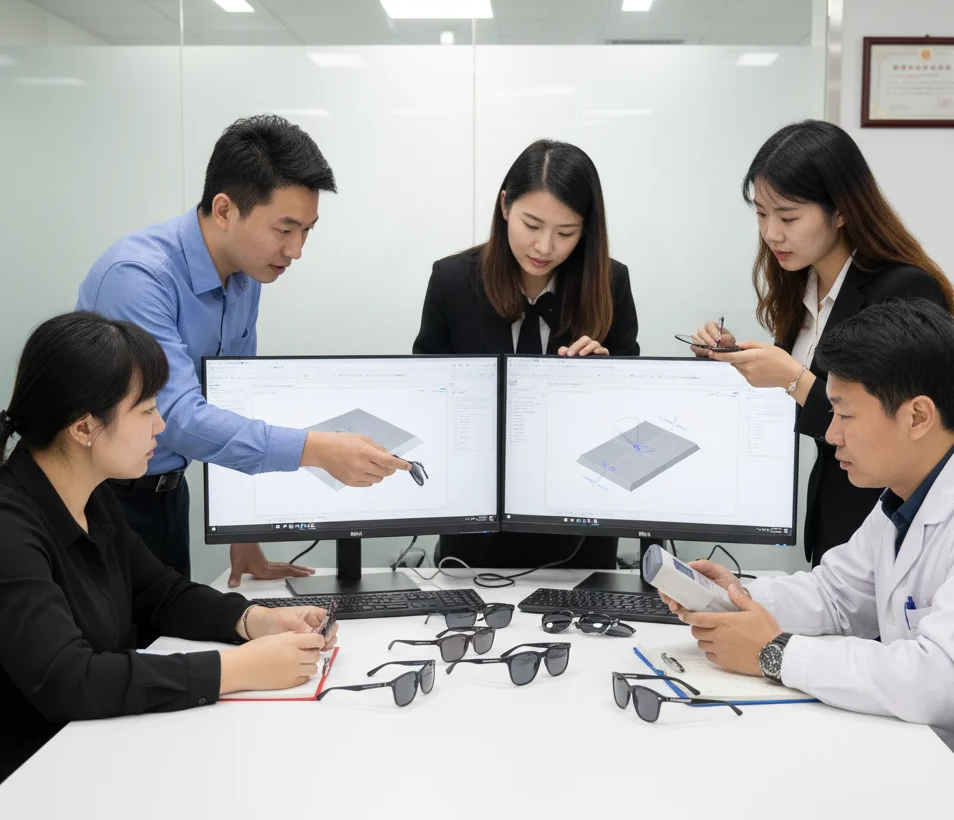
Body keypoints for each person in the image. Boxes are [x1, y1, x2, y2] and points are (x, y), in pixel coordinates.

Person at [0, 312, 338, 783]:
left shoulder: (92, 496)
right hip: (34, 779)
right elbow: (68, 679)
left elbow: (161, 593)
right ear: (83, 428)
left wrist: (254, 620)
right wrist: (236, 669)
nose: (161, 426)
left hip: (95, 750)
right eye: (146, 411)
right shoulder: (10, 527)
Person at [77, 115, 408, 586]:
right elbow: (178, 416)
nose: (296, 250)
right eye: (285, 229)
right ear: (224, 209)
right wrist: (315, 449)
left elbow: (230, 403)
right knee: (114, 634)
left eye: (307, 230)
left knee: (168, 624)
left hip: (167, 493)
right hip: (99, 499)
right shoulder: (138, 278)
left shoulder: (245, 275)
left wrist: (243, 532)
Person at [664, 300, 954, 727]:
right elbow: (836, 596)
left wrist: (776, 653)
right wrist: (735, 596)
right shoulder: (902, 499)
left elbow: (938, 680)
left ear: (918, 416)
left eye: (846, 414)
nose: (832, 434)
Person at [690, 120, 954, 565]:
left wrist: (791, 378)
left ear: (841, 210)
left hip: (889, 520)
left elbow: (897, 424)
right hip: (832, 517)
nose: (771, 233)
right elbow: (810, 412)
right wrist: (738, 359)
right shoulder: (801, 286)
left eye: (788, 217)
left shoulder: (904, 289)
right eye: (761, 214)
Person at [414, 139, 639, 570]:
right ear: (505, 206)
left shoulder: (610, 282)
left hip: (580, 527)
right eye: (531, 225)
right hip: (477, 528)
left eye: (566, 233)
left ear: (587, 229)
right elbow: (426, 404)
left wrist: (603, 380)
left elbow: (630, 426)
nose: (544, 247)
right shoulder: (452, 281)